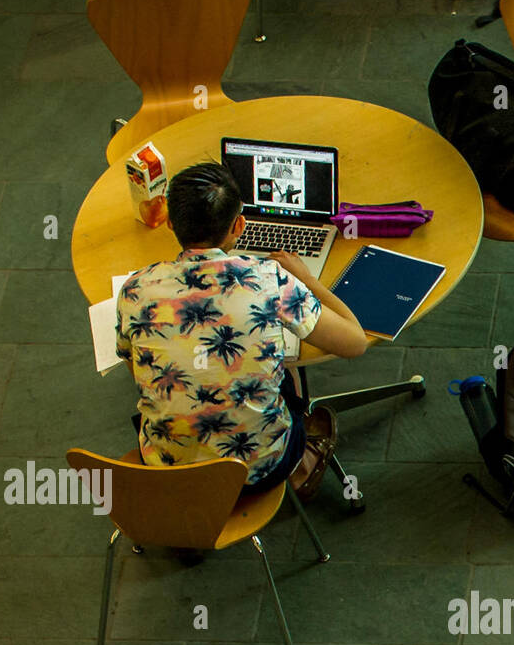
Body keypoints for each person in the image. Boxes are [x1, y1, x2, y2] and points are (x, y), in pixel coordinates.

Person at [115, 160, 368, 498]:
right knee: (287, 373)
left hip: (167, 472)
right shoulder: (268, 279)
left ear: (171, 223)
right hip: (258, 471)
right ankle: (304, 464)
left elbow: (132, 363)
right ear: (239, 225)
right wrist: (306, 279)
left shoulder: (135, 288)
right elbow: (355, 343)